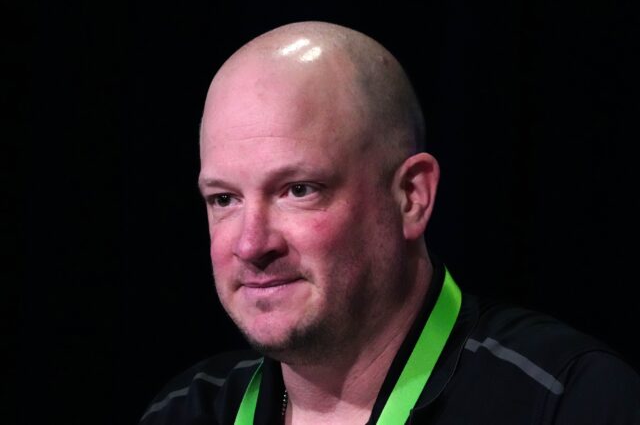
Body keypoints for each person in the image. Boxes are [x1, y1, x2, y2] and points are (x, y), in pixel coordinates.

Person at [140, 21, 639, 424]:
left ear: (411, 197)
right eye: (224, 198)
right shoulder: (186, 411)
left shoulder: (567, 401)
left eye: (298, 190)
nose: (251, 244)